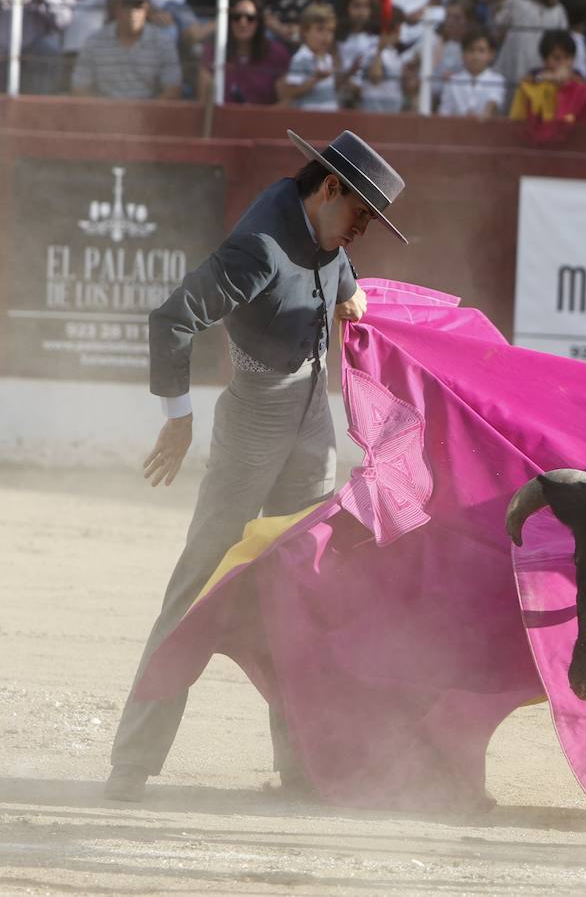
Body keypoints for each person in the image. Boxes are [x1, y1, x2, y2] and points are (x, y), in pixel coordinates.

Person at [102, 130, 408, 805]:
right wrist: (179, 418)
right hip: (252, 419)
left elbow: (333, 263)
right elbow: (172, 319)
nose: (361, 231)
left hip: (312, 413)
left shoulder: (325, 230)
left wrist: (350, 288)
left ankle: (304, 767)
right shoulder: (260, 247)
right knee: (199, 582)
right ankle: (133, 762)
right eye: (360, 214)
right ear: (329, 188)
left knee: (307, 584)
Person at [71, 0, 181, 99]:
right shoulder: (94, 42)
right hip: (103, 113)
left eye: (138, 6)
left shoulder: (162, 42)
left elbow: (172, 90)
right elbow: (80, 88)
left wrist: (147, 116)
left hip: (149, 114)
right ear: (115, 8)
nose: (133, 12)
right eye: (126, 5)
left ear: (147, 9)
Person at [198, 0, 291, 104]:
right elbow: (203, 102)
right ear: (228, 21)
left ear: (259, 22)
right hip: (222, 119)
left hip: (263, 120)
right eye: (236, 17)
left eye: (250, 18)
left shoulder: (277, 53)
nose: (243, 22)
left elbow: (285, 102)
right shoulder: (213, 51)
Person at [277, 0, 339, 110]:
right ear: (305, 31)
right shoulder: (301, 59)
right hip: (309, 120)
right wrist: (315, 79)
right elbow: (291, 92)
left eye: (330, 31)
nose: (326, 36)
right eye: (320, 30)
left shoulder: (328, 58)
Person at [437, 26, 507, 117]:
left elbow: (494, 101)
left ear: (491, 55)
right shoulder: (452, 81)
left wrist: (485, 113)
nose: (475, 55)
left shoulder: (497, 80)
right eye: (471, 50)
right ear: (463, 54)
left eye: (481, 51)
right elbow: (444, 113)